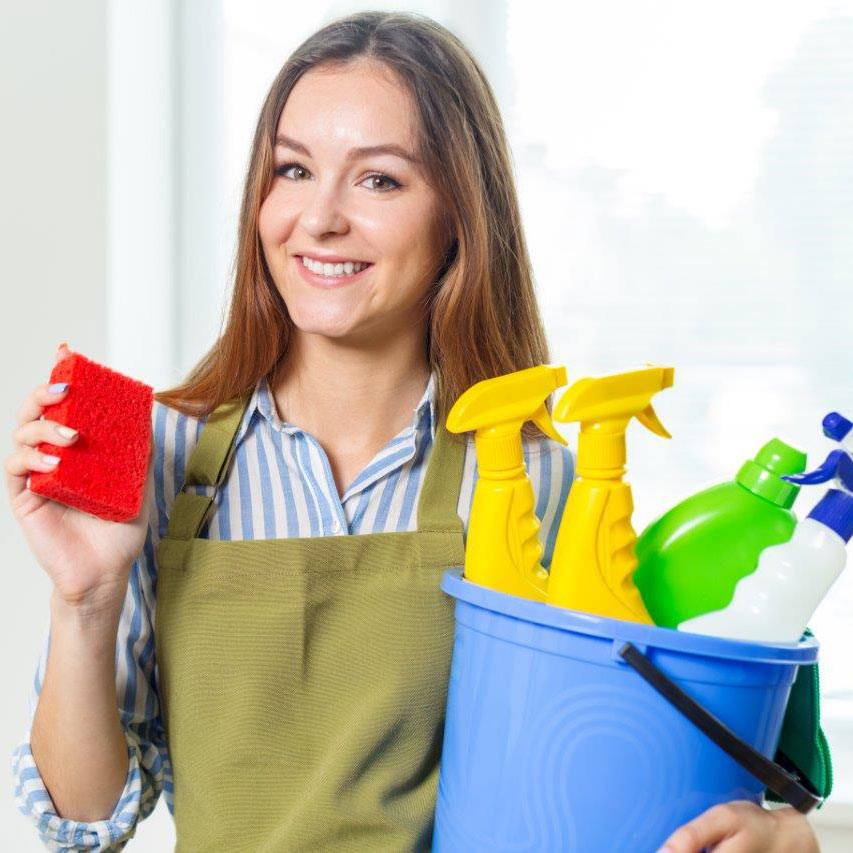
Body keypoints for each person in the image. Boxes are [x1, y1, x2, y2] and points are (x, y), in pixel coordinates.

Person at [5, 10, 818, 853]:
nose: (317, 219)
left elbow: (591, 785)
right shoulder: (166, 458)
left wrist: (772, 828)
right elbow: (81, 825)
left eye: (379, 180)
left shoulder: (529, 479)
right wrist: (86, 598)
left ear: (459, 217)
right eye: (292, 169)